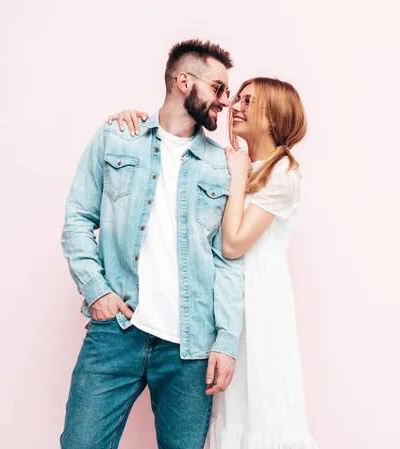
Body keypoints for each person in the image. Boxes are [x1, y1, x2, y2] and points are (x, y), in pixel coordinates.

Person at [109, 77, 318, 448]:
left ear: (272, 116)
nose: (235, 105)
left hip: (259, 301)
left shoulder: (282, 172)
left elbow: (234, 243)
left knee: (261, 405)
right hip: (224, 300)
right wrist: (131, 122)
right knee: (230, 408)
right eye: (237, 97)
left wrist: (237, 176)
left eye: (248, 101)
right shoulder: (236, 163)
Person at [60, 39, 244, 449]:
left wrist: (227, 340)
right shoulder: (117, 136)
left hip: (190, 348)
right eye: (218, 89)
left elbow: (228, 260)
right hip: (116, 334)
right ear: (183, 81)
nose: (224, 102)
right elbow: (77, 219)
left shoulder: (221, 165)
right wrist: (97, 291)